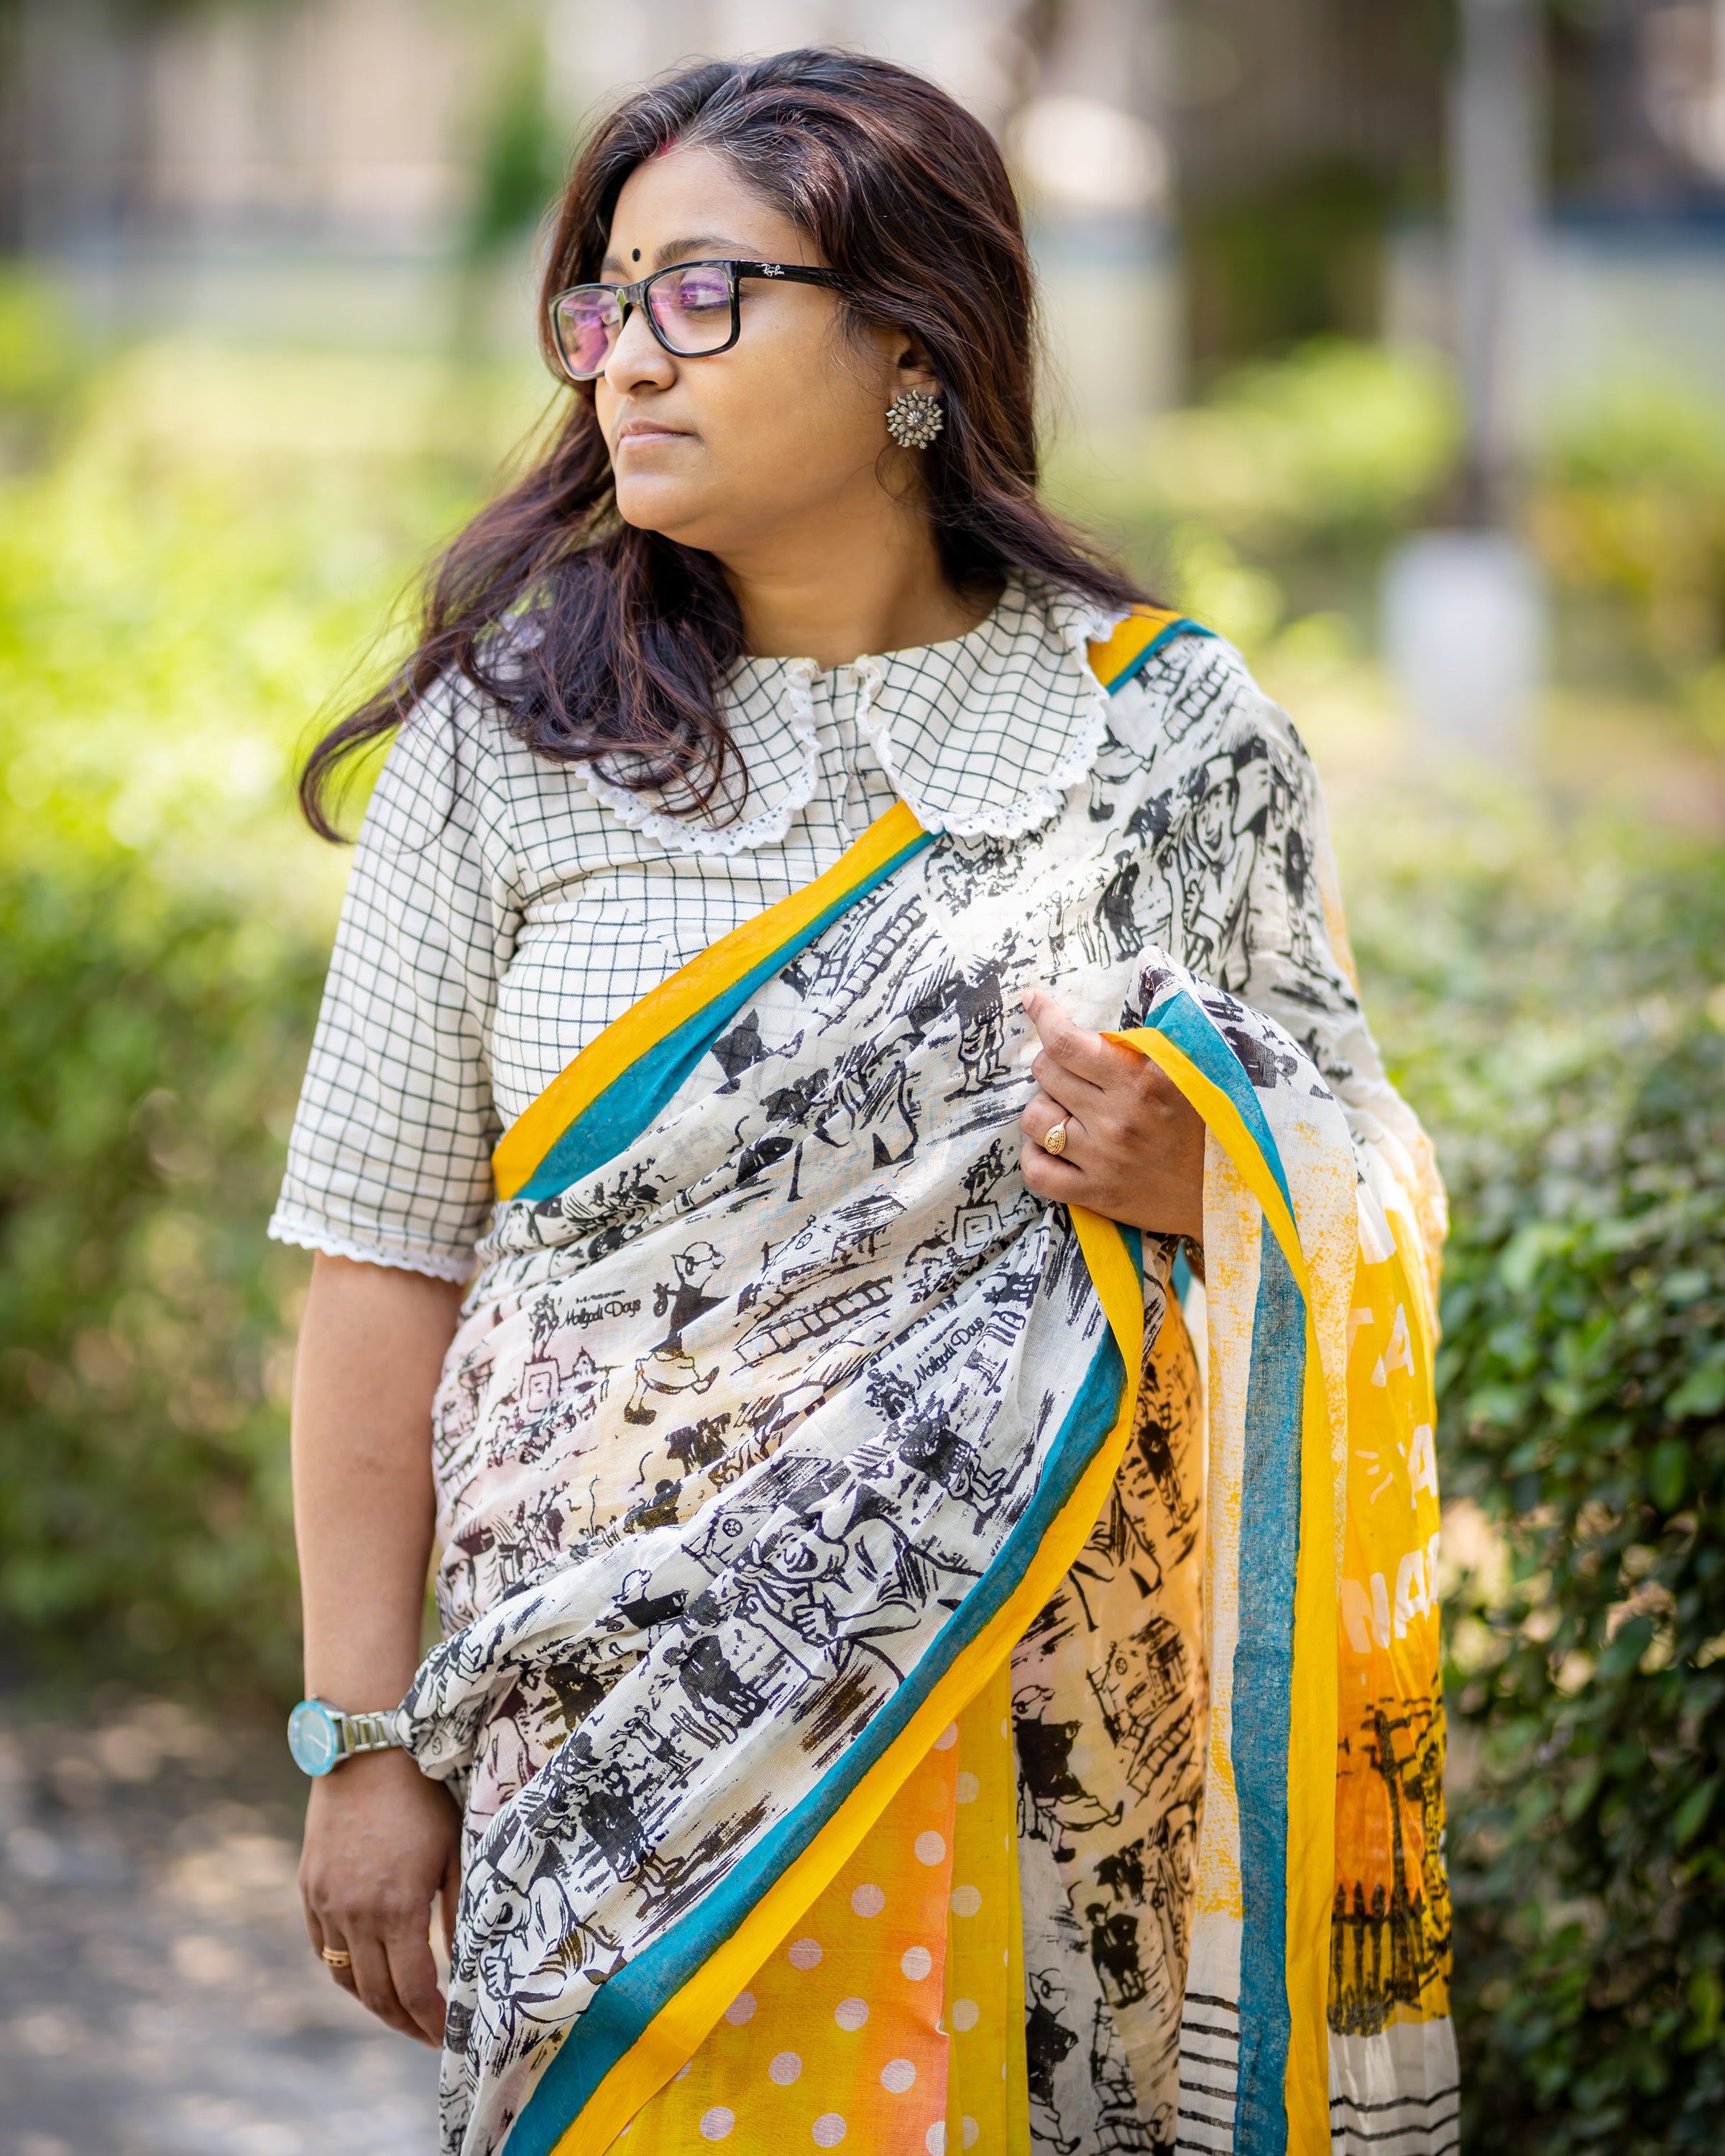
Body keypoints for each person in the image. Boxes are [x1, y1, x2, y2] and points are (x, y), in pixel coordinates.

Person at [274, 49, 1456, 2156]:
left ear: (913, 342)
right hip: (612, 1758)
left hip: (1043, 1742)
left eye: (701, 294)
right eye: (604, 302)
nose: (629, 359)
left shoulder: (1166, 732)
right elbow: (379, 1252)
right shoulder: (503, 740)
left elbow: (1363, 1155)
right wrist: (362, 1741)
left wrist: (1219, 1175)